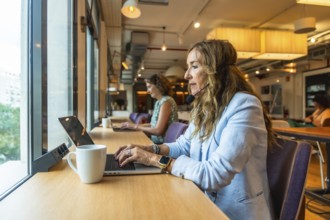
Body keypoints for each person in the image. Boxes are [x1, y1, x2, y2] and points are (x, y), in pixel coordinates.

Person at [115, 39, 275, 219]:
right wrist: (150, 149)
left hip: (235, 213)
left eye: (194, 66)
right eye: (187, 67)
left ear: (216, 72)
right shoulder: (205, 108)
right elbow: (183, 146)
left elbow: (214, 175)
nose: (186, 75)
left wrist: (154, 159)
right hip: (204, 201)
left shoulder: (245, 105)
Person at [122, 73, 178, 144]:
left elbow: (158, 131)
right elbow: (152, 125)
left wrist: (135, 127)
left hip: (162, 145)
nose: (147, 91)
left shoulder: (166, 102)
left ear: (159, 86)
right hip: (155, 142)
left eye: (149, 87)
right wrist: (131, 126)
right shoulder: (159, 102)